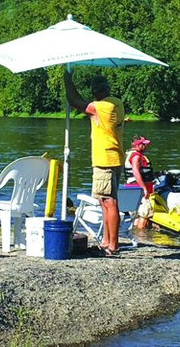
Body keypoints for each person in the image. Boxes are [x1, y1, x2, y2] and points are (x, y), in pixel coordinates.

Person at [64, 72, 124, 255]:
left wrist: (67, 80)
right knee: (104, 201)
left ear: (99, 92)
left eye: (95, 91)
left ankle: (113, 245)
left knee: (109, 202)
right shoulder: (117, 103)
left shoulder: (103, 106)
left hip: (105, 159)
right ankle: (107, 241)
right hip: (114, 157)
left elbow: (76, 102)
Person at [126, 135, 155, 230]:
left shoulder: (134, 154)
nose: (145, 146)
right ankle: (141, 237)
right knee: (144, 213)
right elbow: (136, 172)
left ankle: (136, 234)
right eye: (143, 144)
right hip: (138, 188)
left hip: (135, 188)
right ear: (137, 145)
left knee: (138, 215)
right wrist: (144, 188)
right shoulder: (136, 156)